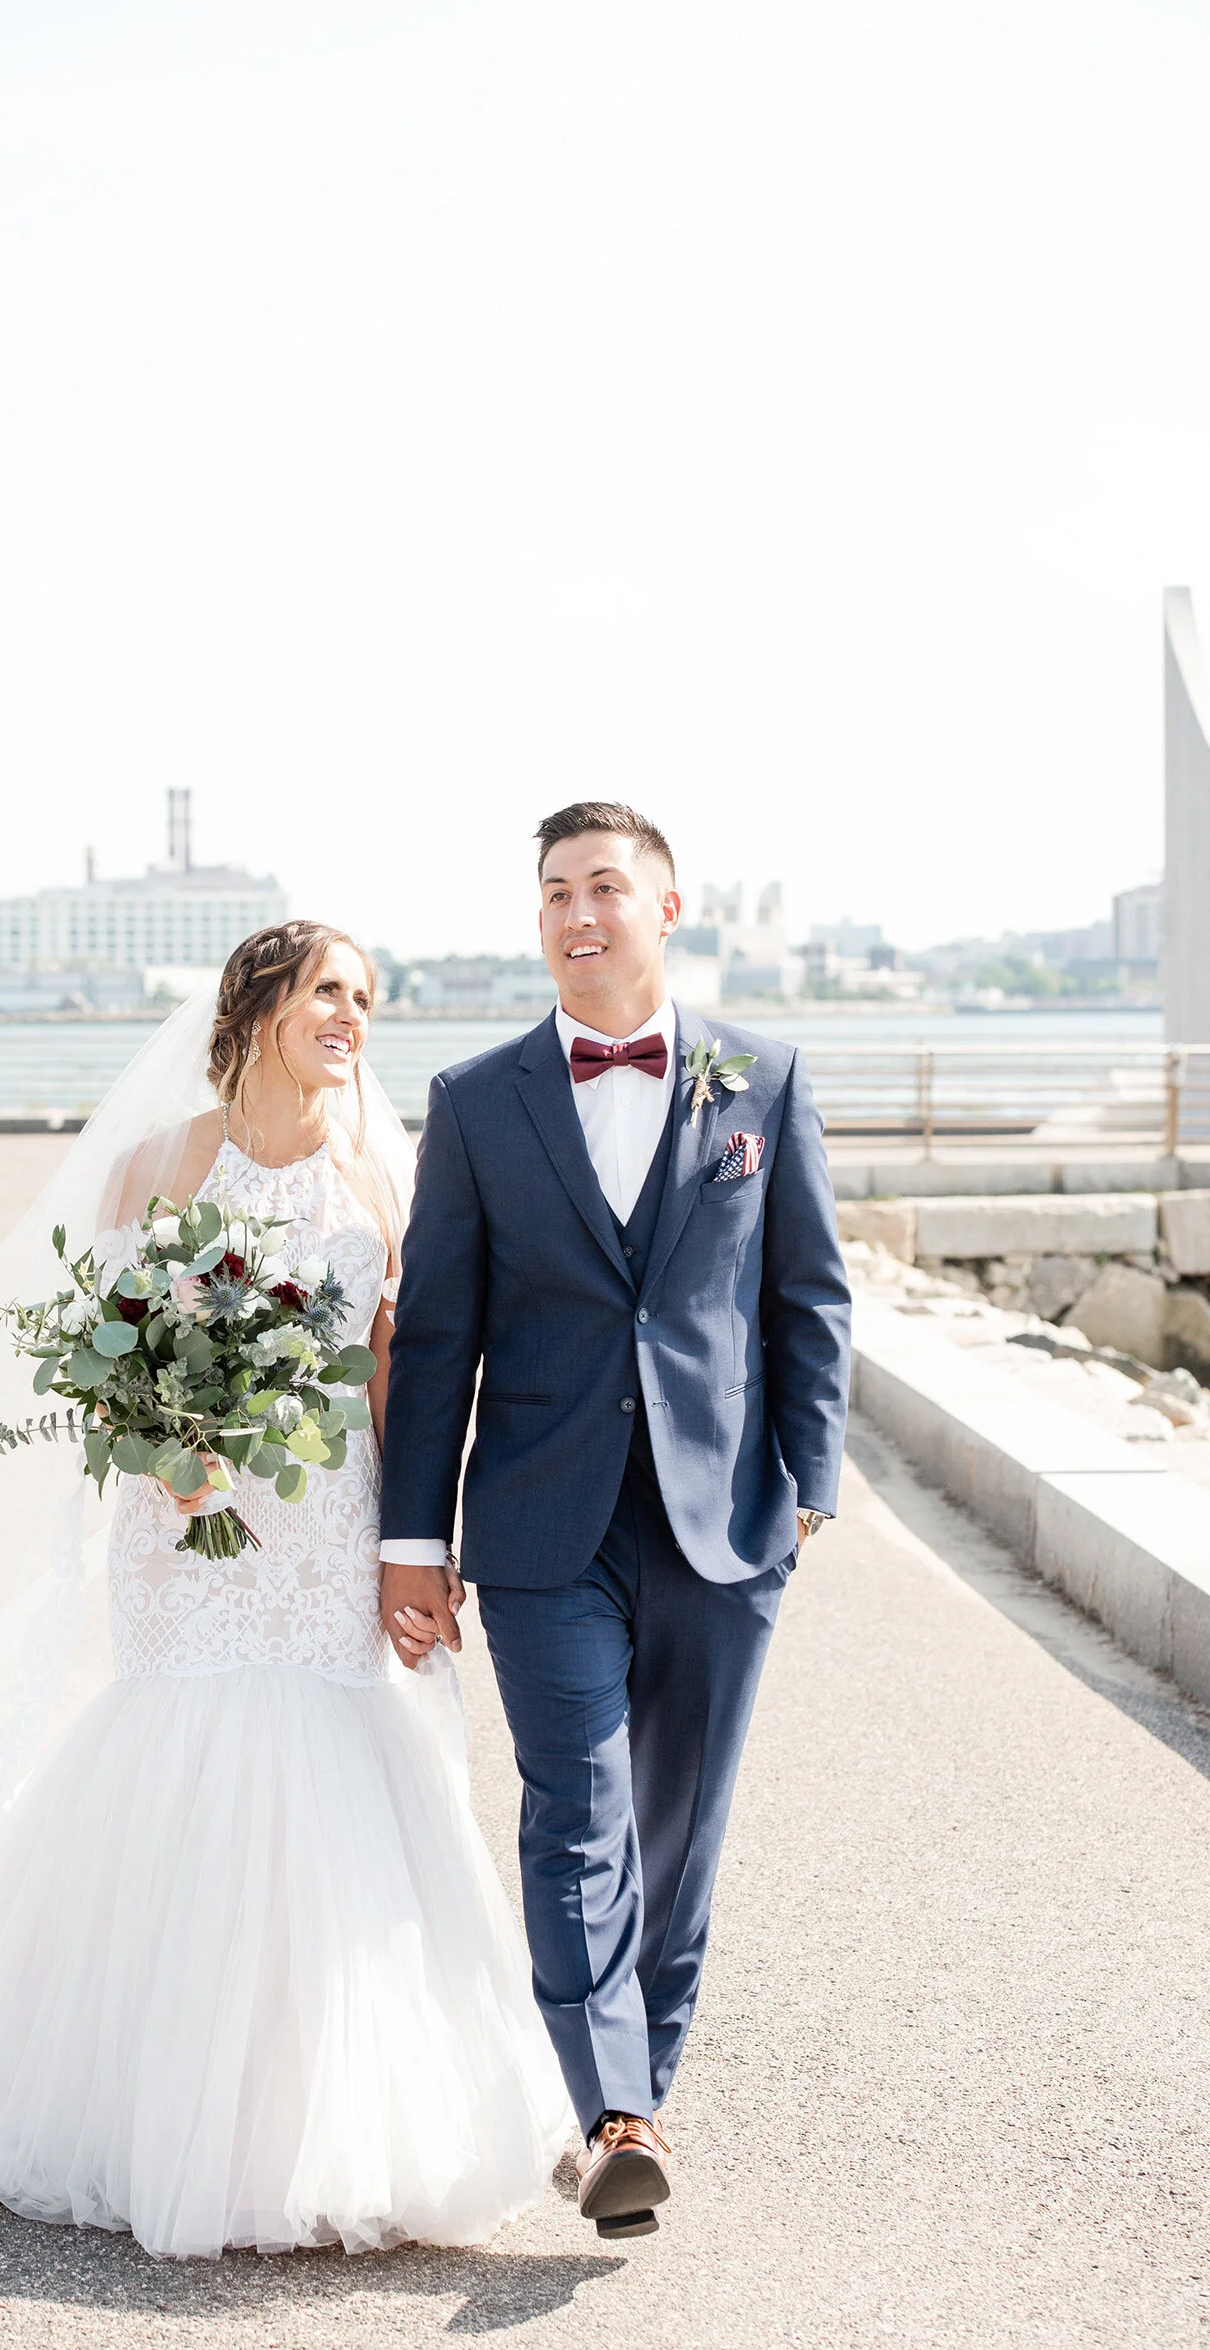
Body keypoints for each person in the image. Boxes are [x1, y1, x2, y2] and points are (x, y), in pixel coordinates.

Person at [0, 923, 569, 2261]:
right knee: (190, 1754)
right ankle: (153, 2099)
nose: (354, 1016)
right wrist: (171, 1443)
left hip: (326, 1530)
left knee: (333, 1772)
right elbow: (105, 1355)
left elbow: (399, 1380)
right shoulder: (159, 1164)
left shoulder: (381, 1175)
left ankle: (307, 2114)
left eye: (367, 997)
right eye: (329, 991)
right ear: (255, 1007)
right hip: (183, 1528)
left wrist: (411, 1548)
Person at [378, 804, 850, 2241]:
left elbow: (809, 1293)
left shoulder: (759, 1078)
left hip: (727, 1522)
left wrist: (812, 1478)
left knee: (680, 1826)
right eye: (553, 894)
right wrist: (411, 1536)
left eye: (603, 887)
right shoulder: (475, 1098)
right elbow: (441, 1327)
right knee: (576, 1812)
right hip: (540, 1523)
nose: (577, 913)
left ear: (666, 905)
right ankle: (617, 2115)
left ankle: (644, 2072)